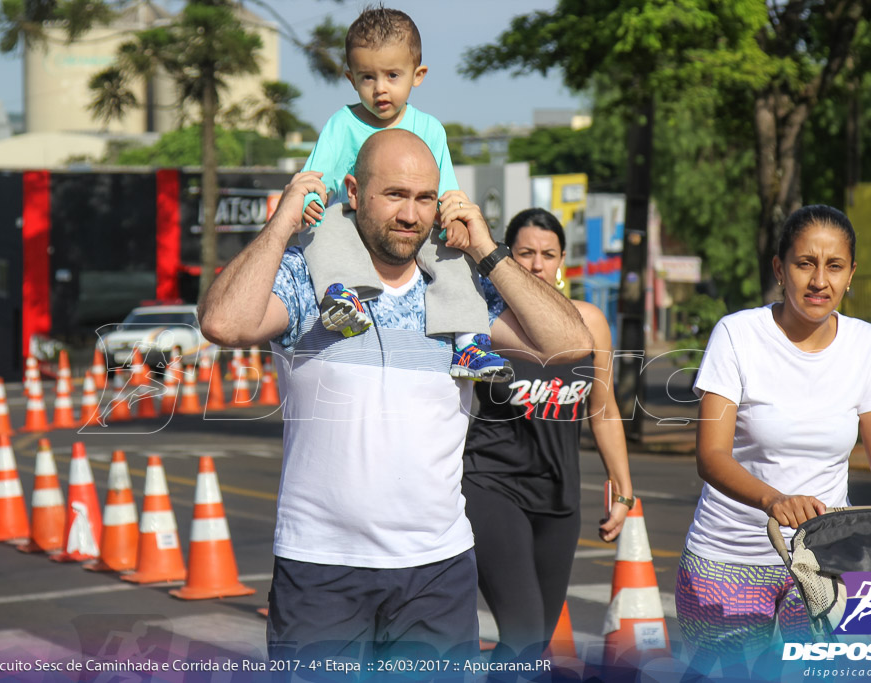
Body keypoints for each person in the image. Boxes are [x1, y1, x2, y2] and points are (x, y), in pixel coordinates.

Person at [197, 129, 594, 664]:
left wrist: (486, 247)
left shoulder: (463, 292)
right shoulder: (309, 276)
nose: (411, 214)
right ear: (354, 192)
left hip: (438, 571)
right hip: (321, 569)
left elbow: (569, 343)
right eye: (395, 195)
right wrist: (281, 224)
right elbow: (223, 322)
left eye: (424, 198)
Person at [674, 204, 871, 672]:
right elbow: (711, 456)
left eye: (835, 266)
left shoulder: (865, 343)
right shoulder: (737, 334)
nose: (819, 281)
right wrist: (774, 501)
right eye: (805, 263)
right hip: (728, 559)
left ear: (851, 276)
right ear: (780, 270)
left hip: (830, 556)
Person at [297, 6, 510, 382]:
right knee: (326, 223)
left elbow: (445, 192)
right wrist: (306, 206)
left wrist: (456, 221)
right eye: (367, 77)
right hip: (355, 222)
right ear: (351, 78)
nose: (380, 88)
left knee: (453, 256)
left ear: (418, 75)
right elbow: (314, 179)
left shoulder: (429, 129)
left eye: (392, 75)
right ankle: (340, 298)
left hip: (414, 229)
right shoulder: (341, 125)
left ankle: (469, 342)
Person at [461, 208, 634, 658]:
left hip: (560, 502)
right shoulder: (484, 321)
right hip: (492, 487)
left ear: (562, 261)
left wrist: (624, 491)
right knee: (523, 634)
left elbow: (604, 409)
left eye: (548, 254)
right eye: (525, 253)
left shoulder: (588, 323)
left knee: (533, 646)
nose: (537, 264)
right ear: (504, 256)